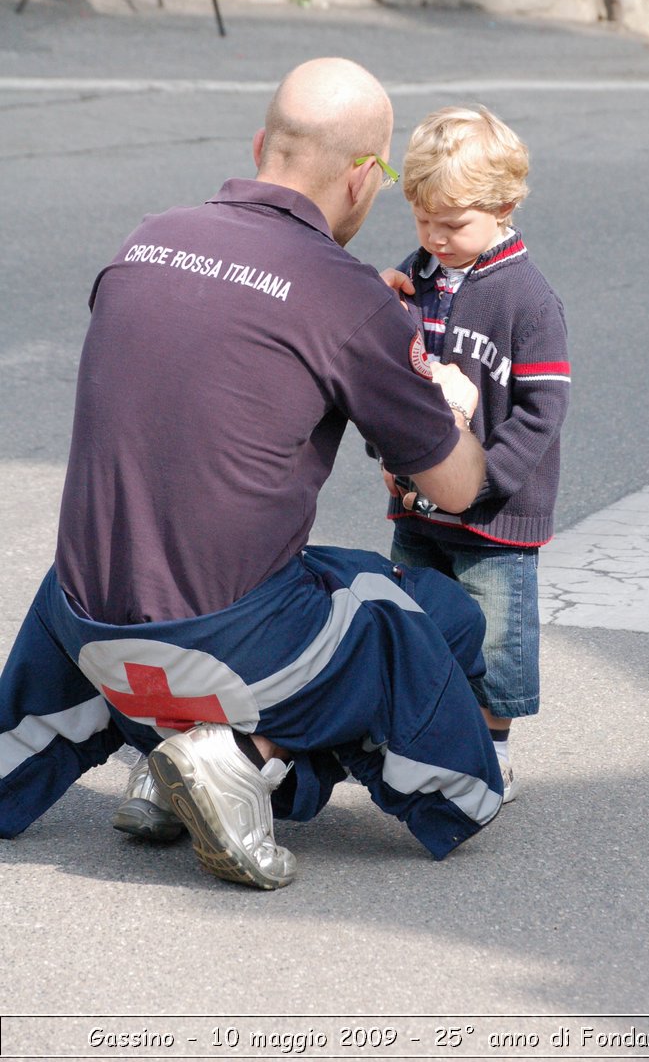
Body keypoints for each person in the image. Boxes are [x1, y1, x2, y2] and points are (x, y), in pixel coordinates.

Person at [0, 59, 504, 890]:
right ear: (361, 178)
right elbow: (455, 488)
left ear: (263, 144)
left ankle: (164, 765)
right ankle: (236, 757)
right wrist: (438, 389)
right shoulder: (349, 299)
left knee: (150, 549)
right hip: (231, 646)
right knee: (423, 611)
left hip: (86, 629)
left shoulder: (144, 240)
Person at [378, 106, 570, 802]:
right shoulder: (417, 276)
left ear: (505, 207)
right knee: (416, 624)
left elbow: (543, 409)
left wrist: (489, 481)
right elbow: (394, 375)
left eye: (453, 224)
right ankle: (429, 737)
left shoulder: (528, 299)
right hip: (418, 503)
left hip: (495, 516)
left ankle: (490, 750)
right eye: (424, 220)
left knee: (494, 644)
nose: (436, 238)